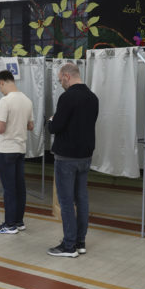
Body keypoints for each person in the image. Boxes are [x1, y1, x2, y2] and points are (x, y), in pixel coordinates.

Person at [46, 63, 98, 257]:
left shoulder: (67, 97)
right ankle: (80, 242)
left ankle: (68, 246)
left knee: (66, 202)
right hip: (85, 156)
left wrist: (51, 121)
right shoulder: (93, 97)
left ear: (67, 76)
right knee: (82, 199)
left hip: (66, 156)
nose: (61, 83)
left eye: (60, 80)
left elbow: (56, 127)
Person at [0, 70, 34, 234]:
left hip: (7, 150)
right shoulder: (27, 100)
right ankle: (19, 221)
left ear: (1, 82)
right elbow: (31, 126)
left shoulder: (5, 101)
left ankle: (9, 225)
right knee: (19, 187)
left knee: (9, 189)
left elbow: (1, 129)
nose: (0, 90)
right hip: (21, 149)